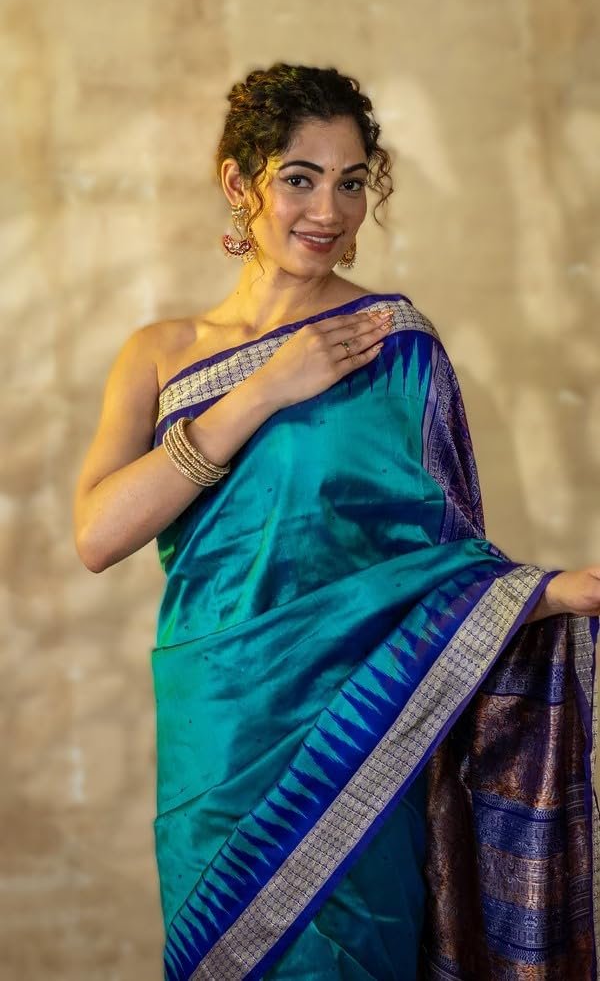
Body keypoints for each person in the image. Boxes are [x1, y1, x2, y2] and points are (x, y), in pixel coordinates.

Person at [74, 63, 600, 981]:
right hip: (217, 724)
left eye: (352, 182)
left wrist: (544, 594)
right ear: (240, 184)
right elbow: (98, 535)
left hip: (360, 728)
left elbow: (442, 557)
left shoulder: (396, 346)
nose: (329, 210)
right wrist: (262, 391)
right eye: (300, 178)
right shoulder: (159, 354)